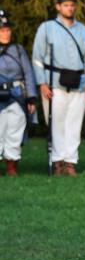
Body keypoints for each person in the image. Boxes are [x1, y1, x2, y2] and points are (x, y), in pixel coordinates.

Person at [32, 0, 85, 176]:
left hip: (79, 83)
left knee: (74, 125)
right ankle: (57, 161)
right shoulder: (46, 28)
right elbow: (37, 58)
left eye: (72, 5)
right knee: (56, 125)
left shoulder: (83, 30)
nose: (69, 8)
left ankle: (70, 162)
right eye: (66, 5)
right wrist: (42, 83)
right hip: (55, 84)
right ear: (58, 6)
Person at [0, 10, 37, 176]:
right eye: (2, 30)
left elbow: (28, 73)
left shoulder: (18, 49)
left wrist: (31, 98)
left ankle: (11, 167)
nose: (6, 33)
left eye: (7, 30)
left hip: (16, 95)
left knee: (14, 132)